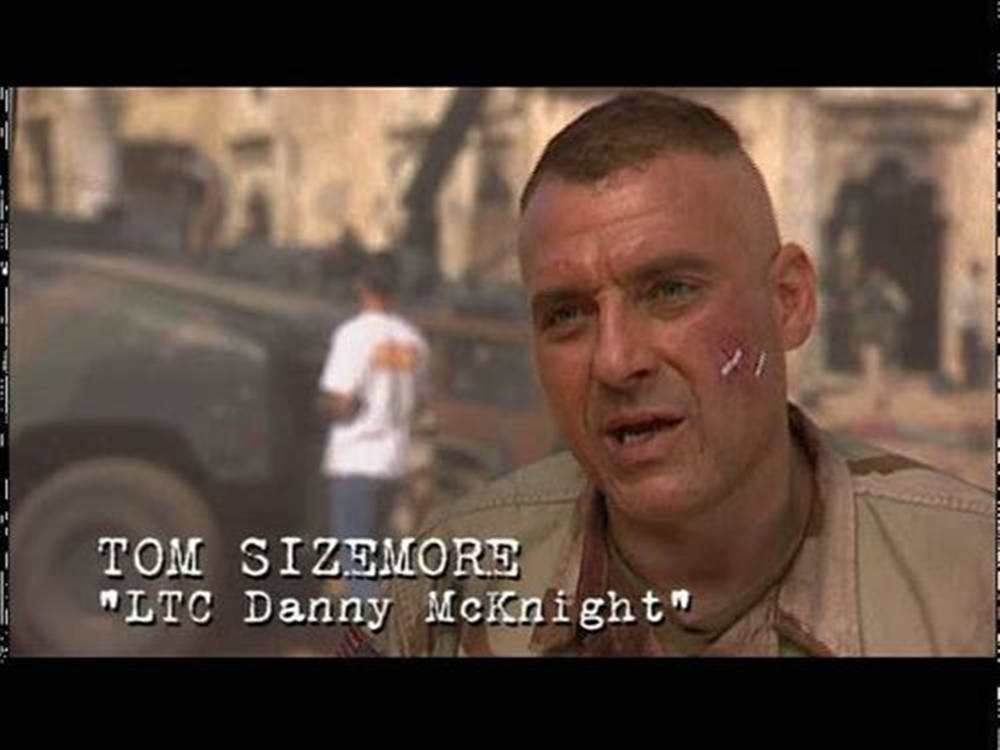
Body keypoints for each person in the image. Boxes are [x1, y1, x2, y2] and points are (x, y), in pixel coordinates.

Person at [347, 91, 992, 657]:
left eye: (671, 291)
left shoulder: (968, 581)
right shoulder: (448, 586)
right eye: (567, 315)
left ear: (789, 302)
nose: (615, 361)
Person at [318, 251, 429, 601]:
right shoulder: (414, 341)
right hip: (393, 463)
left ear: (361, 286)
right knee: (376, 557)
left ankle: (376, 626)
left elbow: (341, 400)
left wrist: (320, 409)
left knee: (356, 561)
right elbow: (419, 401)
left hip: (356, 461)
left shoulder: (353, 335)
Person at [850, 265, 910, 410]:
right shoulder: (889, 290)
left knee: (873, 364)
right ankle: (879, 395)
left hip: (871, 332)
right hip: (883, 331)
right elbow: (903, 307)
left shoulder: (864, 292)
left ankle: (877, 395)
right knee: (882, 363)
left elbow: (855, 307)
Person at [955, 260, 987, 389]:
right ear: (975, 272)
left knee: (972, 354)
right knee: (967, 354)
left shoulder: (974, 287)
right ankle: (966, 382)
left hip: (971, 325)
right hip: (967, 324)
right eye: (979, 272)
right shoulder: (967, 287)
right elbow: (968, 306)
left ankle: (970, 382)